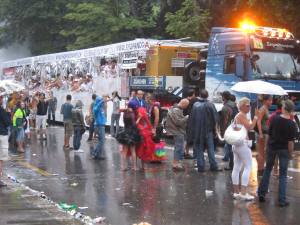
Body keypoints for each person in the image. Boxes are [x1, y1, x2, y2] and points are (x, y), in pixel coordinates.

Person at [258, 100, 297, 207]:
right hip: (284, 150)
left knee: (267, 170)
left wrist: (266, 146)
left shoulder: (275, 118)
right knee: (283, 175)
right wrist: (290, 154)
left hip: (272, 147)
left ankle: (261, 193)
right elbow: (290, 142)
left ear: (284, 108)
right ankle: (282, 200)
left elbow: (269, 134)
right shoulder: (292, 124)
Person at [232, 97, 259, 201]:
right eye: (247, 105)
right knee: (248, 166)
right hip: (242, 144)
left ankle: (236, 192)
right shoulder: (241, 115)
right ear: (242, 106)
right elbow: (251, 127)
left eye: (249, 105)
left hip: (236, 144)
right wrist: (256, 117)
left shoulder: (238, 115)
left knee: (237, 167)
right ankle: (243, 193)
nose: (249, 107)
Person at [190, 89, 221, 172]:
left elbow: (192, 119)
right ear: (207, 96)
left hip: (197, 131)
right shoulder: (210, 105)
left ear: (199, 95)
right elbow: (216, 119)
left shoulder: (195, 105)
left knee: (199, 148)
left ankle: (201, 166)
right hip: (208, 131)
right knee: (210, 148)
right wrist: (216, 131)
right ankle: (213, 165)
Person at [116, 100, 141, 171]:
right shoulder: (131, 113)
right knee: (133, 150)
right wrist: (139, 118)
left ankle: (123, 167)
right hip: (132, 134)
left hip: (125, 132)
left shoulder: (125, 112)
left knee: (124, 151)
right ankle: (134, 167)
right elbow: (134, 125)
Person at [165, 99, 189, 171]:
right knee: (178, 147)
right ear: (183, 104)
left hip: (176, 131)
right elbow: (178, 122)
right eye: (186, 106)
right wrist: (186, 117)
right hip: (177, 131)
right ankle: (176, 164)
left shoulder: (174, 108)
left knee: (179, 147)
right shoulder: (176, 110)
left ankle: (177, 162)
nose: (186, 107)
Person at [219, 91, 238, 170]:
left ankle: (232, 166)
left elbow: (224, 121)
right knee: (232, 148)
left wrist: (222, 131)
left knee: (230, 148)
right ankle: (233, 164)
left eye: (222, 96)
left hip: (229, 130)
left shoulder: (226, 107)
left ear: (224, 97)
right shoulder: (234, 105)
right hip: (234, 128)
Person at [256, 94, 273, 177]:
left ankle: (261, 170)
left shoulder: (266, 108)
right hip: (262, 133)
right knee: (261, 152)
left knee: (263, 152)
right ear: (265, 101)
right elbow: (258, 121)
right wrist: (260, 133)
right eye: (270, 100)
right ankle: (260, 170)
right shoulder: (262, 108)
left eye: (271, 100)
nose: (271, 102)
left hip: (265, 133)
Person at [183, 89, 197, 159]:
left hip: (185, 121)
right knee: (188, 138)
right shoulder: (190, 101)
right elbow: (189, 113)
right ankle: (186, 153)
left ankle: (186, 152)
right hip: (189, 122)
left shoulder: (184, 100)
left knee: (186, 137)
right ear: (193, 94)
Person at [0, 95, 10, 187]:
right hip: (2, 135)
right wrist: (7, 113)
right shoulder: (2, 110)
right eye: (1, 98)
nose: (2, 99)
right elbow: (7, 123)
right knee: (1, 159)